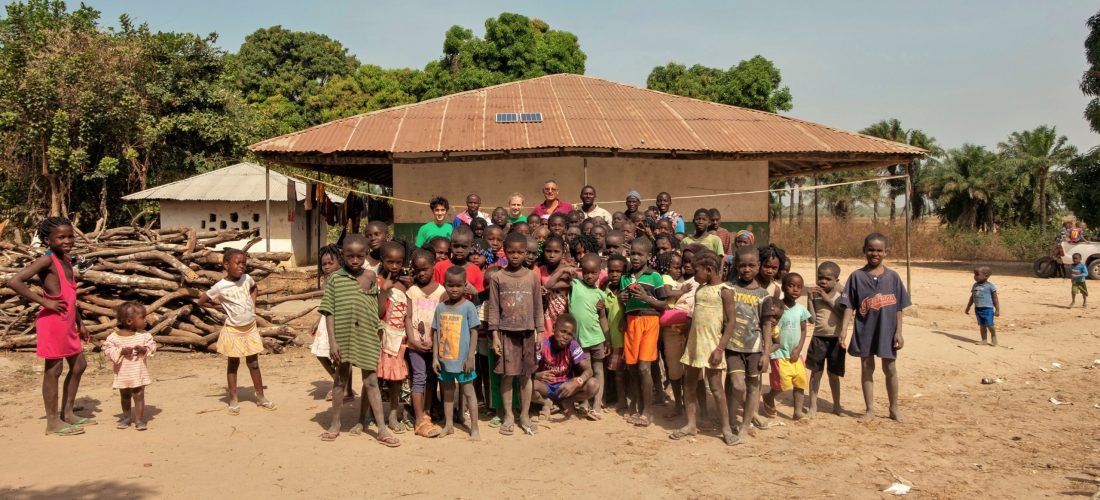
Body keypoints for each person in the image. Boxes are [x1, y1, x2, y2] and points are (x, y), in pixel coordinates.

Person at [7, 217, 92, 435]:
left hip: (67, 321)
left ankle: (68, 413)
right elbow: (15, 281)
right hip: (53, 322)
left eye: (70, 236)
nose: (67, 240)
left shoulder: (66, 260)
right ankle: (53, 422)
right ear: (47, 239)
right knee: (54, 370)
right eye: (61, 237)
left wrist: (80, 322)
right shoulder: (47, 260)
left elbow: (71, 296)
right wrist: (45, 302)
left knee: (79, 365)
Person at [317, 235, 398, 446]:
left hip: (367, 336)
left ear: (365, 256)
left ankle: (381, 428)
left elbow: (378, 311)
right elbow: (328, 312)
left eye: (359, 256)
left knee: (371, 382)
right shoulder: (334, 279)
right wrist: (333, 342)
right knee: (340, 381)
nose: (354, 260)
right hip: (343, 338)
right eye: (349, 256)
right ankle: (335, 424)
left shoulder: (371, 277)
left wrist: (385, 292)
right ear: (342, 255)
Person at [838, 233, 911, 423]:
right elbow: (849, 306)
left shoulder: (893, 277)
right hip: (865, 331)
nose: (875, 253)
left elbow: (899, 308)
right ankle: (869, 409)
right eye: (871, 249)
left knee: (891, 368)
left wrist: (899, 332)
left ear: (886, 252)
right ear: (864, 251)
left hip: (887, 331)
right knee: (866, 367)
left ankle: (894, 407)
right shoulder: (856, 277)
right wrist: (844, 330)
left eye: (879, 250)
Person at [197, 248, 275, 415]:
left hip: (250, 328)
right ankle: (233, 399)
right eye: (237, 263)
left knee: (254, 364)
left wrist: (253, 305)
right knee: (233, 364)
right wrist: (221, 306)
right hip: (233, 330)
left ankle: (261, 397)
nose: (242, 266)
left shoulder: (247, 279)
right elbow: (202, 300)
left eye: (244, 263)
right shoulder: (220, 287)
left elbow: (255, 288)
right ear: (226, 265)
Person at [670, 250, 736, 445]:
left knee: (716, 388)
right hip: (694, 345)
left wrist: (720, 349)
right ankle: (691, 424)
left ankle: (726, 429)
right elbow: (695, 317)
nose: (692, 273)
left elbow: (731, 322)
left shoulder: (724, 291)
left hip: (712, 346)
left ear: (708, 270)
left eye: (696, 270)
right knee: (689, 384)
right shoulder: (700, 289)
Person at [487, 232, 545, 436]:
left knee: (525, 376)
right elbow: (493, 309)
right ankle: (509, 415)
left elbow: (539, 306)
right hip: (506, 334)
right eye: (511, 251)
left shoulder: (532, 276)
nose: (515, 256)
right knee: (507, 376)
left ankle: (525, 415)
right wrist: (494, 335)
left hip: (528, 333)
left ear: (526, 253)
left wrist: (541, 332)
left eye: (520, 252)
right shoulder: (497, 277)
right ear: (505, 251)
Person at [726, 245, 775, 443]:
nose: (747, 269)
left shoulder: (764, 295)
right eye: (743, 265)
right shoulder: (729, 289)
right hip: (732, 346)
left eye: (751, 265)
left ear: (758, 266)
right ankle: (748, 412)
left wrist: (766, 353)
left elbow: (766, 325)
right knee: (737, 385)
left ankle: (745, 426)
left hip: (754, 348)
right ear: (736, 266)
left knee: (753, 385)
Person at [619, 237, 668, 428]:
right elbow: (623, 302)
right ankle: (639, 406)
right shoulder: (625, 277)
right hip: (631, 322)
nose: (635, 258)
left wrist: (646, 297)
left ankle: (648, 412)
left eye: (640, 254)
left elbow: (663, 304)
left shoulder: (654, 276)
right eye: (633, 254)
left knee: (644, 367)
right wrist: (622, 298)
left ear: (649, 257)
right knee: (632, 367)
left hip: (650, 321)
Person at [432, 266, 482, 440]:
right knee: (447, 392)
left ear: (465, 285)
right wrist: (434, 358)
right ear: (444, 284)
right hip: (445, 360)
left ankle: (474, 428)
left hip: (463, 361)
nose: (454, 289)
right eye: (450, 285)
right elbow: (436, 332)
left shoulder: (468, 307)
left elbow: (474, 331)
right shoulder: (440, 308)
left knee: (469, 392)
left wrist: (470, 357)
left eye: (459, 285)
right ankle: (449, 425)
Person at [405, 249, 445, 438]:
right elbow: (409, 316)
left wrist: (437, 345)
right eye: (418, 270)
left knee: (432, 378)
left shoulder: (442, 292)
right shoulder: (412, 291)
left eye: (425, 269)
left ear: (433, 266)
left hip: (434, 346)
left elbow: (444, 320)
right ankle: (419, 418)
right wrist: (412, 339)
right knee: (419, 377)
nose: (421, 274)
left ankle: (427, 412)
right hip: (416, 345)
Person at [563, 254, 609, 416]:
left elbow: (602, 318)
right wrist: (569, 270)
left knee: (598, 370)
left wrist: (607, 339)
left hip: (597, 338)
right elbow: (552, 282)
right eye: (586, 272)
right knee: (585, 371)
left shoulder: (600, 295)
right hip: (580, 340)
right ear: (581, 270)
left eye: (593, 272)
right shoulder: (575, 284)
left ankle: (596, 404)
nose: (589, 276)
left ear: (599, 272)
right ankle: (584, 402)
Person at [533, 314, 601, 420]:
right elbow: (527, 371)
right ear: (554, 328)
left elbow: (589, 370)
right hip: (545, 387)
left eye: (570, 334)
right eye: (563, 331)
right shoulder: (543, 345)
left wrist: (576, 381)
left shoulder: (573, 345)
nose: (565, 336)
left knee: (594, 384)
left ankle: (567, 401)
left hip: (565, 388)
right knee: (526, 384)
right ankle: (546, 402)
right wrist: (536, 375)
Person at [101, 302, 156, 431]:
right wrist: (120, 351)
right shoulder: (114, 337)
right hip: (123, 373)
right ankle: (126, 418)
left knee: (139, 394)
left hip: (138, 372)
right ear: (130, 321)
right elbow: (106, 349)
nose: (145, 320)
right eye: (142, 317)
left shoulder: (144, 335)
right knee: (125, 396)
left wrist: (144, 349)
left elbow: (152, 346)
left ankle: (139, 419)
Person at [310, 245, 354, 402]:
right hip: (326, 321)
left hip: (339, 322)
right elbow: (326, 305)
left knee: (341, 357)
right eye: (324, 264)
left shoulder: (345, 280)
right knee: (322, 354)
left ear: (340, 263)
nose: (327, 267)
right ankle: (340, 383)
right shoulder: (327, 282)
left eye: (330, 263)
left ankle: (343, 387)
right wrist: (317, 320)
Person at [763, 273, 811, 421]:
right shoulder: (777, 308)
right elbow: (770, 326)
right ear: (783, 287)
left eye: (798, 287)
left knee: (800, 382)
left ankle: (797, 412)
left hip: (796, 354)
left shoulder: (801, 310)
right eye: (791, 286)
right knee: (782, 384)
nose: (795, 289)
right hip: (779, 353)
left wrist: (798, 349)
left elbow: (803, 330)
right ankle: (769, 397)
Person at [378, 242, 413, 434]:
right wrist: (384, 290)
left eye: (398, 262)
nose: (394, 266)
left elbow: (409, 313)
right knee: (375, 379)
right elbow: (379, 312)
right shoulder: (378, 282)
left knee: (396, 379)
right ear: (382, 261)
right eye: (389, 261)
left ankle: (393, 414)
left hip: (401, 339)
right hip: (382, 337)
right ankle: (370, 414)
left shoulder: (406, 283)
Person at [656, 251, 694, 418]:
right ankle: (678, 403)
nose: (682, 268)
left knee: (688, 370)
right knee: (674, 368)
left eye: (684, 265)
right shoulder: (667, 279)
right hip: (671, 328)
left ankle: (688, 404)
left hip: (688, 328)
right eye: (677, 266)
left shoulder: (694, 282)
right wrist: (683, 290)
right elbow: (667, 293)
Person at [806, 261, 845, 417]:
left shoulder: (841, 296)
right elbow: (812, 320)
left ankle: (837, 406)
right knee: (816, 373)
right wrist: (810, 300)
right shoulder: (815, 296)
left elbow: (843, 314)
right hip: (819, 339)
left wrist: (827, 299)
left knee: (834, 375)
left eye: (828, 279)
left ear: (837, 280)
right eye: (820, 277)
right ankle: (813, 406)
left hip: (836, 340)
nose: (823, 281)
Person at [603, 254, 629, 413]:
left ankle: (623, 401)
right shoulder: (605, 289)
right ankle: (617, 398)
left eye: (618, 271)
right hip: (611, 337)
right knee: (615, 371)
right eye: (611, 270)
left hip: (625, 338)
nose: (614, 274)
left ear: (624, 271)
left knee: (623, 373)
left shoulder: (627, 290)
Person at [433, 225, 485, 297]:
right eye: (456, 246)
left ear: (471, 247)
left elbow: (480, 299)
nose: (459, 250)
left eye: (464, 247)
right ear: (450, 246)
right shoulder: (439, 267)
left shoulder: (475, 270)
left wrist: (474, 292)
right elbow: (434, 293)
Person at [964, 265, 999, 346]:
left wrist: (997, 309)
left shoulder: (990, 286)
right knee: (982, 325)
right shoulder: (975, 285)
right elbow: (972, 297)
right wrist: (968, 307)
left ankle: (994, 337)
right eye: (974, 274)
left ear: (986, 276)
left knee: (990, 325)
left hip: (988, 308)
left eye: (977, 274)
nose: (975, 277)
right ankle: (984, 340)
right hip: (978, 309)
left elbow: (995, 299)